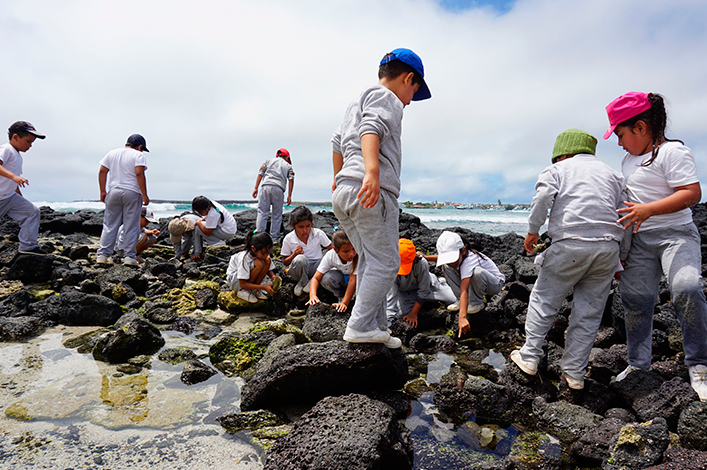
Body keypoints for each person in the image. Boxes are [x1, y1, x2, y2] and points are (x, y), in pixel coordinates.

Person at [603, 91, 707, 399]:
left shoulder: (673, 153)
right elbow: (628, 208)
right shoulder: (628, 162)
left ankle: (699, 364)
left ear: (640, 127)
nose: (619, 143)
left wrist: (648, 210)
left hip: (677, 234)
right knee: (634, 298)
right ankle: (639, 363)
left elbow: (691, 193)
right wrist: (620, 255)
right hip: (640, 241)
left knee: (687, 288)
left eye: (620, 135)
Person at [509, 129, 625, 390]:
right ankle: (573, 374)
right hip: (608, 248)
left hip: (570, 244)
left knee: (544, 300)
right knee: (588, 314)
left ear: (562, 153)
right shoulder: (614, 175)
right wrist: (622, 257)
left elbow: (542, 198)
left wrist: (533, 230)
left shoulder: (559, 170)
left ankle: (529, 357)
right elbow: (624, 214)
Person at [331, 48, 431, 349]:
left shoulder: (355, 102)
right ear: (408, 78)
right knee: (387, 264)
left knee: (370, 262)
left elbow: (336, 141)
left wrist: (338, 179)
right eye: (413, 90)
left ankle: (375, 325)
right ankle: (360, 325)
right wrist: (372, 172)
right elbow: (372, 128)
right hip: (372, 193)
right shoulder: (387, 98)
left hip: (345, 192)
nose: (410, 100)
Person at [433, 231, 505, 338]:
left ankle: (476, 303)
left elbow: (464, 290)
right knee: (445, 267)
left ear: (463, 250)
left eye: (455, 261)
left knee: (477, 272)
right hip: (476, 284)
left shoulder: (470, 260)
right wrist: (425, 257)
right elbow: (440, 258)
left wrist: (462, 317)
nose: (452, 265)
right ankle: (459, 301)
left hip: (494, 284)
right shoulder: (457, 259)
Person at [97, 134, 150, 265]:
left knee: (110, 224)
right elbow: (139, 173)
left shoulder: (112, 153)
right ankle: (129, 257)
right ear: (139, 146)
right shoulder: (138, 155)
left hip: (113, 191)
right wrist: (144, 194)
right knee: (131, 225)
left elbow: (102, 171)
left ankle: (102, 255)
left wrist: (103, 190)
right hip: (132, 192)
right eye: (142, 149)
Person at [386, 238, 456, 327]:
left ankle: (442, 283)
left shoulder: (422, 263)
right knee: (399, 315)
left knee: (452, 300)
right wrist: (388, 325)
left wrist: (413, 314)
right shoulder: (390, 268)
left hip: (429, 286)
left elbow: (424, 291)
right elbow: (391, 299)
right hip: (405, 292)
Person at [0, 121, 46, 255]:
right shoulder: (6, 149)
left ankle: (27, 247)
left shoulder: (17, 156)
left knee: (32, 212)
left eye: (32, 142)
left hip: (9, 197)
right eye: (28, 141)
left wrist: (20, 198)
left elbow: (13, 183)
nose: (30, 145)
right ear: (15, 137)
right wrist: (14, 177)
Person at [281, 206, 333, 296]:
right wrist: (294, 255)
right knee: (301, 259)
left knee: (329, 257)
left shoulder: (318, 234)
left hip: (316, 267)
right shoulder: (289, 238)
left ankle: (312, 280)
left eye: (308, 226)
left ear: (311, 224)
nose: (305, 230)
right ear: (293, 226)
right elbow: (285, 262)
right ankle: (302, 283)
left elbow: (332, 249)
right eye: (300, 227)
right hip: (298, 270)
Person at [306, 229, 358, 312]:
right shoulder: (330, 256)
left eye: (353, 249)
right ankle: (341, 296)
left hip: (359, 282)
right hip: (344, 280)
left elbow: (353, 280)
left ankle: (350, 299)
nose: (351, 254)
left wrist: (345, 303)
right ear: (335, 250)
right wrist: (312, 296)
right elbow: (316, 278)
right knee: (326, 278)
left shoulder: (358, 256)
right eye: (345, 251)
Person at [226, 231, 281, 303]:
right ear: (253, 248)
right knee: (259, 263)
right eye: (264, 253)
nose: (266, 255)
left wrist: (273, 277)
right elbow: (242, 283)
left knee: (267, 260)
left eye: (268, 252)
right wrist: (263, 287)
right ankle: (243, 291)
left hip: (246, 280)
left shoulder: (263, 254)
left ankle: (254, 289)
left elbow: (268, 269)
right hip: (235, 281)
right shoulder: (243, 258)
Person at [252, 148, 295, 241]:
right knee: (277, 215)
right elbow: (291, 179)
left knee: (262, 212)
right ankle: (274, 238)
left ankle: (259, 236)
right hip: (278, 189)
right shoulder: (288, 165)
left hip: (265, 187)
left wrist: (256, 188)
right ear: (287, 157)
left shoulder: (268, 161)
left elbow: (260, 173)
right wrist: (289, 195)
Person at [190, 196, 237, 261]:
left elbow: (207, 232)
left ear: (207, 208)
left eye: (200, 212)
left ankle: (216, 243)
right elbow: (209, 218)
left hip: (227, 233)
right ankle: (198, 251)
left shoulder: (212, 214)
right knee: (200, 225)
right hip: (230, 229)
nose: (199, 214)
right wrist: (203, 220)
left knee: (198, 227)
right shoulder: (211, 204)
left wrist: (198, 223)